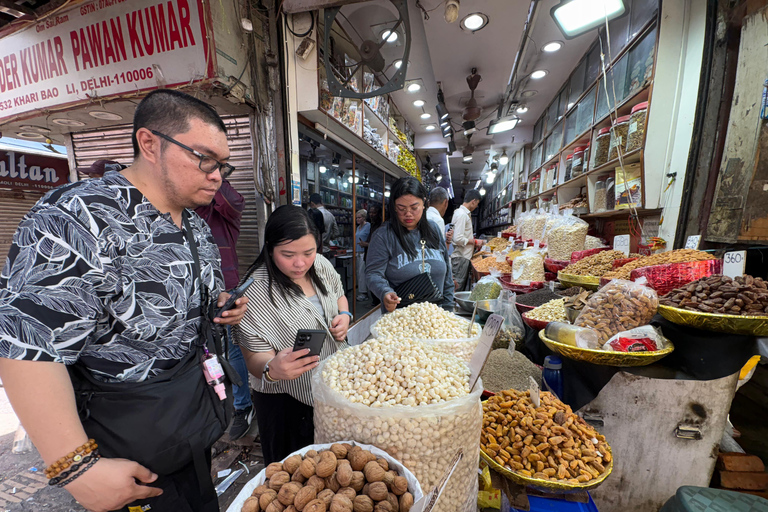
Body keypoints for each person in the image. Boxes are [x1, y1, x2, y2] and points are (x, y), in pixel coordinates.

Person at [0, 89, 249, 512]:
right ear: (149, 143)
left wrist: (220, 306)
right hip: (124, 444)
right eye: (204, 158)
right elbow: (26, 347)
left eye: (222, 164)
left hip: (190, 420)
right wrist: (77, 469)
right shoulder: (75, 217)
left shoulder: (196, 225)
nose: (217, 175)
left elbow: (182, 301)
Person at [234, 205, 350, 464]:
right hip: (285, 402)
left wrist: (345, 315)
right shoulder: (254, 292)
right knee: (291, 474)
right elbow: (253, 358)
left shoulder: (320, 265)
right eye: (288, 254)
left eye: (308, 252)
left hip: (331, 387)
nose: (300, 263)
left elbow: (339, 294)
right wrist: (272, 369)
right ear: (270, 248)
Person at [195, 180, 254, 440]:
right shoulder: (180, 212)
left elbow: (235, 200)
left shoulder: (226, 214)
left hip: (226, 292)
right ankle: (209, 409)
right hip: (191, 295)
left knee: (234, 349)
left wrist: (208, 172)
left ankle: (242, 406)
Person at [366, 177, 455, 313]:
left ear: (424, 203)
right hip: (401, 321)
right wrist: (385, 292)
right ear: (394, 207)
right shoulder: (383, 236)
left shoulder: (434, 229)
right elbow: (373, 273)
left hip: (437, 320)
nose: (408, 214)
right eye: (401, 208)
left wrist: (449, 311)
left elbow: (447, 275)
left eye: (414, 208)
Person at [451, 189, 481, 291]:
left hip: (462, 257)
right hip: (461, 257)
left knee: (458, 287)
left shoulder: (462, 214)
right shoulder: (462, 215)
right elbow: (457, 238)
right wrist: (475, 242)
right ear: (473, 201)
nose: (476, 206)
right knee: (457, 288)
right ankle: (454, 306)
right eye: (477, 203)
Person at [308, 193, 339, 259]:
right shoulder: (330, 215)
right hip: (326, 250)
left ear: (312, 203)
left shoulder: (312, 214)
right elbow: (336, 233)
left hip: (315, 250)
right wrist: (327, 237)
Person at [354, 209, 370, 302]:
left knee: (362, 273)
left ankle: (363, 293)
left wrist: (366, 243)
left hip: (364, 252)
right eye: (356, 218)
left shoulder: (368, 226)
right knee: (359, 273)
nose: (357, 219)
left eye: (359, 217)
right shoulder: (358, 227)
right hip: (358, 252)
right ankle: (362, 291)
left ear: (364, 218)